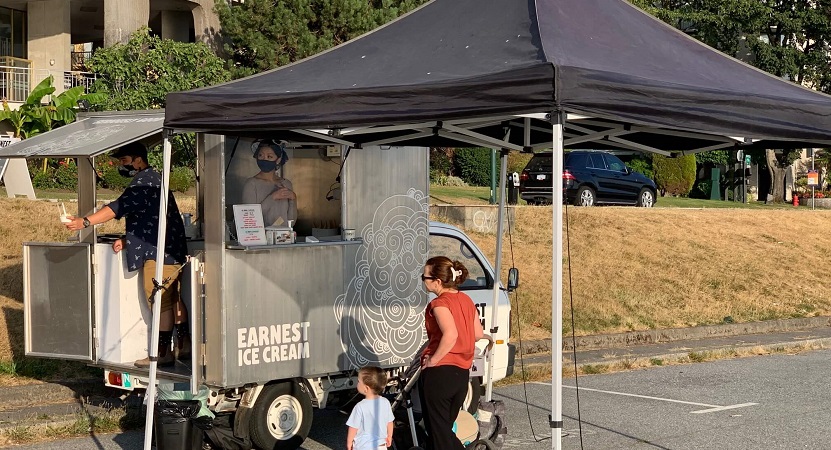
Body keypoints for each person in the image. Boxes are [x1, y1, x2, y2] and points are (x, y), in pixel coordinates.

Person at [64, 141, 190, 368]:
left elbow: (118, 207)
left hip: (159, 251)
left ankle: (163, 353)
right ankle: (184, 344)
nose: (121, 166)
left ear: (138, 160)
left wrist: (84, 222)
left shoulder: (144, 182)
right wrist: (127, 239)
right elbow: (150, 217)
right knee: (172, 297)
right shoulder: (155, 179)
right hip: (170, 247)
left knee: (159, 298)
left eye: (124, 161)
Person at [418, 256, 484, 450]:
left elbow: (451, 334)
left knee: (439, 432)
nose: (423, 280)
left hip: (440, 374)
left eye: (425, 276)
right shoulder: (466, 299)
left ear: (437, 282)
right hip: (462, 374)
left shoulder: (439, 304)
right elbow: (478, 334)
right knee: (444, 430)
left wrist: (433, 360)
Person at [241, 140, 297, 227]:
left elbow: (291, 221)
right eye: (261, 155)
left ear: (278, 160)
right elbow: (249, 218)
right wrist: (273, 197)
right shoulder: (251, 184)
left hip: (283, 237)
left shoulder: (286, 184)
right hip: (259, 238)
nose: (264, 159)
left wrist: (293, 199)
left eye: (269, 156)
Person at [346, 366, 395, 450]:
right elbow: (389, 422)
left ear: (366, 388)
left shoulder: (360, 406)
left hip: (363, 446)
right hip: (381, 446)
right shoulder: (385, 402)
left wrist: (349, 442)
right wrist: (389, 436)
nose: (357, 383)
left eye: (359, 381)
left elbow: (353, 427)